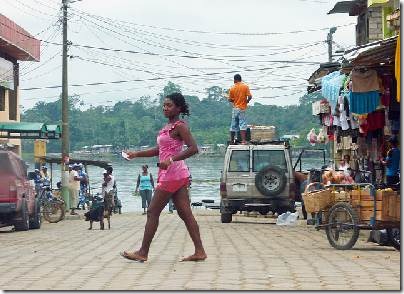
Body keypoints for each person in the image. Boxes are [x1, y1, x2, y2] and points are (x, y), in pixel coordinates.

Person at [121, 92, 207, 262]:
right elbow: (159, 151)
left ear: (178, 108)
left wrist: (171, 159)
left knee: (152, 211)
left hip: (172, 175)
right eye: (164, 105)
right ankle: (200, 251)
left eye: (169, 105)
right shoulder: (167, 127)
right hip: (175, 175)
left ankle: (143, 252)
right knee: (185, 214)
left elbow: (193, 148)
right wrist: (136, 154)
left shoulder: (180, 126)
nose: (165, 108)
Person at [227, 74, 252, 144]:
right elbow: (250, 96)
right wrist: (247, 101)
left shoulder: (232, 88)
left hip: (235, 109)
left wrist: (235, 100)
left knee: (233, 125)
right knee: (242, 124)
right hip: (242, 108)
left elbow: (230, 99)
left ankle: (232, 141)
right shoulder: (245, 87)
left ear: (235, 79)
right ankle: (243, 141)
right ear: (240, 79)